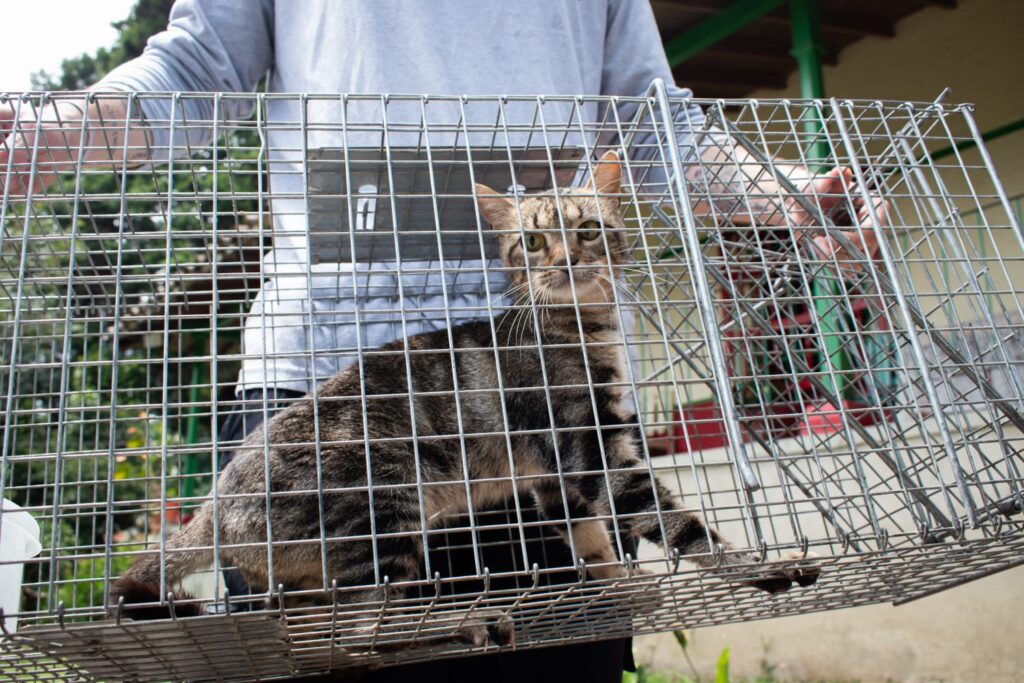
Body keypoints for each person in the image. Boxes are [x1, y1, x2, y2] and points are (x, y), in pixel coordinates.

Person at [0, 2, 886, 681]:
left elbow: (656, 126)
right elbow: (194, 66)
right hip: (332, 399)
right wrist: (51, 130)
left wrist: (792, 199)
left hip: (527, 409)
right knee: (354, 619)